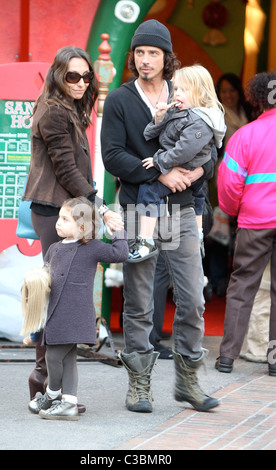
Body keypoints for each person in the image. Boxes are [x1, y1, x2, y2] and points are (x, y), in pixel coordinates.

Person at [101, 19, 219, 412]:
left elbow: (209, 146)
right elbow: (113, 156)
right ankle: (139, 384)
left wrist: (200, 171)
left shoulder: (181, 92)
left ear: (167, 58)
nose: (146, 60)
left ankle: (188, 381)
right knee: (139, 300)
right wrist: (161, 172)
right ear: (133, 57)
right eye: (140, 52)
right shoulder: (120, 100)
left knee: (193, 297)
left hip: (183, 211)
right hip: (139, 210)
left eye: (154, 53)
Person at [22, 46, 124, 404]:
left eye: (86, 76)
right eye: (72, 76)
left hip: (65, 208)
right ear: (57, 75)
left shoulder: (69, 109)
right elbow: (65, 167)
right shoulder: (52, 111)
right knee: (55, 296)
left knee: (59, 295)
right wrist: (101, 207)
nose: (80, 83)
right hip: (54, 211)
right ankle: (42, 382)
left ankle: (47, 383)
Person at [23, 197, 128, 420]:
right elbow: (45, 276)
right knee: (68, 359)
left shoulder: (92, 247)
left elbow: (119, 254)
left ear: (82, 226)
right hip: (55, 316)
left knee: (53, 356)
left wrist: (118, 230)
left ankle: (52, 395)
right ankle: (68, 402)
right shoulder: (53, 248)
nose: (58, 223)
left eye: (64, 219)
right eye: (59, 218)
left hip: (74, 315)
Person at [128, 64, 225, 262]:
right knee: (198, 198)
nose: (177, 93)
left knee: (148, 191)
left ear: (201, 92)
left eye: (184, 89)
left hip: (185, 169)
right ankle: (198, 238)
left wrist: (158, 161)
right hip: (191, 174)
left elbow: (184, 151)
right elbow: (148, 134)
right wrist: (160, 118)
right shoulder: (181, 112)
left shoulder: (201, 120)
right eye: (177, 89)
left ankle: (146, 241)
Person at [215, 71, 276, 377]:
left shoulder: (245, 134)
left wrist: (234, 210)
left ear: (255, 98)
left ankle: (227, 357)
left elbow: (227, 183)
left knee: (242, 287)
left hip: (255, 221)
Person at [204, 73, 255, 301]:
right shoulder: (217, 115)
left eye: (232, 90)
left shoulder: (250, 114)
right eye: (223, 91)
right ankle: (214, 280)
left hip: (252, 176)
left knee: (241, 229)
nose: (228, 95)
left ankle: (230, 279)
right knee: (218, 230)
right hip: (222, 175)